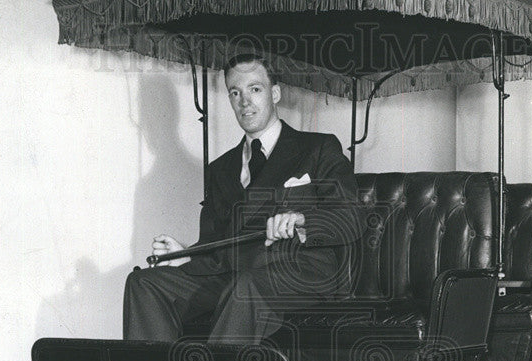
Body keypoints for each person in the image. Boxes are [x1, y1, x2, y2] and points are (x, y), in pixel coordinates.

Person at [123, 54, 360, 345]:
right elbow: (217, 242)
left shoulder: (318, 147)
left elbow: (350, 217)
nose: (244, 101)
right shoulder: (221, 169)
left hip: (300, 272)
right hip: (237, 272)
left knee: (244, 287)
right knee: (144, 283)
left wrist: (302, 221)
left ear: (275, 93)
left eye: (255, 89)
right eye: (235, 93)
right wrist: (187, 254)